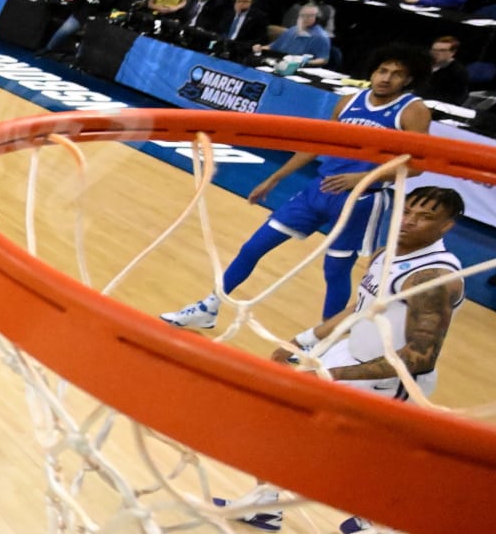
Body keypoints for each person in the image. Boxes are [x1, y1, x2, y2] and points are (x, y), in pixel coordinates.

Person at [227, 188, 468, 534]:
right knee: (281, 417)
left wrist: (335, 375)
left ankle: (383, 508)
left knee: (354, 454)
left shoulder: (431, 278)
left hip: (392, 378)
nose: (409, 220)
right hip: (351, 353)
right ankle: (266, 504)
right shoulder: (387, 252)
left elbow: (419, 357)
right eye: (407, 210)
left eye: (425, 217)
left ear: (446, 226)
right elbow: (359, 307)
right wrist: (304, 341)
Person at [163, 45, 432, 329]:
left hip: (360, 199)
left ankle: (324, 338)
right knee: (253, 247)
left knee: (336, 271)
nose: (386, 78)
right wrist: (274, 178)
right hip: (319, 189)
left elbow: (417, 166)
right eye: (383, 70)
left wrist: (363, 178)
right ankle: (209, 307)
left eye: (396, 74)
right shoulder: (349, 100)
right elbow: (319, 145)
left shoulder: (413, 111)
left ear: (409, 80)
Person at [419, 35, 471, 103]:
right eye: (434, 50)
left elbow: (457, 98)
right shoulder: (425, 65)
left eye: (442, 50)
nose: (436, 53)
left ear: (453, 52)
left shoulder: (458, 72)